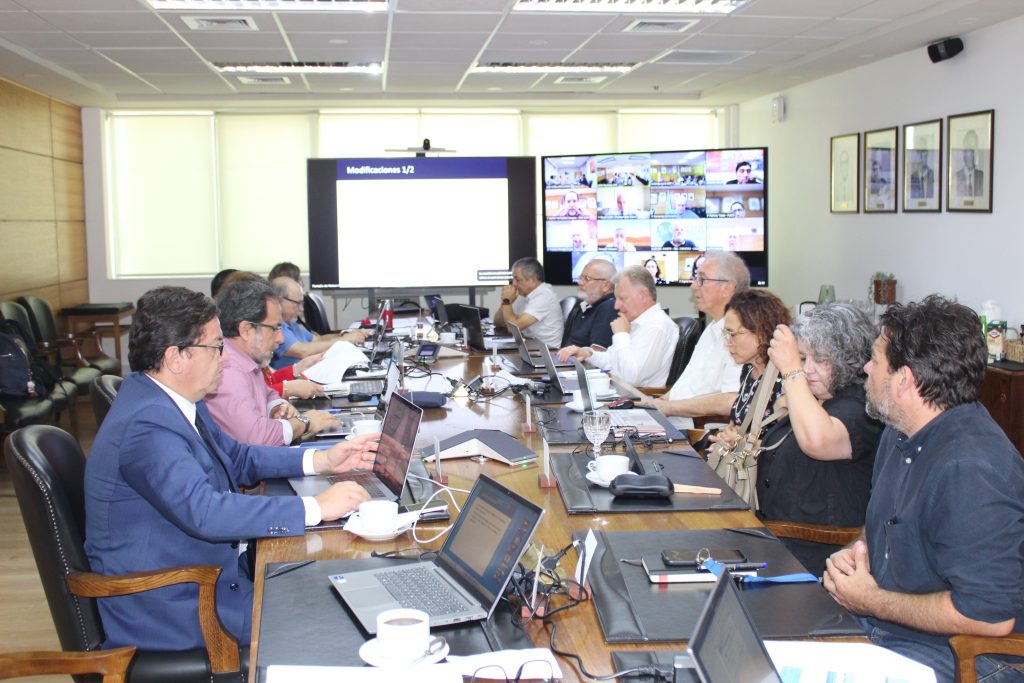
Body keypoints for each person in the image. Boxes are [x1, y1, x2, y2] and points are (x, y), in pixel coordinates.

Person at [84, 286, 375, 651]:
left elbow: (237, 458)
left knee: (340, 585)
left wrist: (322, 461)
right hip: (182, 603)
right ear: (176, 357)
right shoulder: (147, 425)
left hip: (211, 576)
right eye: (216, 347)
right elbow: (206, 512)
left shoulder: (173, 399)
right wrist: (315, 507)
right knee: (340, 621)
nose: (224, 358)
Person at [823, 296, 1024, 682]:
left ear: (905, 380)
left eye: (875, 361)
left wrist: (871, 601)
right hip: (889, 629)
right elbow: (888, 524)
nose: (866, 369)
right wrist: (855, 555)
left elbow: (990, 617)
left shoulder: (971, 468)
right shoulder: (901, 432)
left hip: (964, 655)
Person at [756, 303, 883, 574]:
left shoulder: (862, 408)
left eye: (822, 359)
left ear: (849, 357)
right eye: (802, 358)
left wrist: (792, 371)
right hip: (774, 536)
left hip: (814, 554)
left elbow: (817, 442)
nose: (808, 369)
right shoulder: (817, 399)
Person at [206, 280, 340, 445]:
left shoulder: (247, 359)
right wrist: (304, 422)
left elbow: (268, 393)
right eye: (275, 328)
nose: (281, 339)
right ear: (246, 330)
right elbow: (258, 438)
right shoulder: (227, 371)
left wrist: (277, 408)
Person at [653, 252, 748, 429]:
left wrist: (670, 408)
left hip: (696, 431)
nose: (693, 286)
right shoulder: (712, 327)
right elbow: (691, 382)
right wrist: (664, 400)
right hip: (673, 420)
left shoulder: (742, 334)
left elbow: (732, 400)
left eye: (702, 280)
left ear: (727, 288)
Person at [557, 265, 678, 387]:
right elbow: (612, 360)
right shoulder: (639, 322)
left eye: (622, 298)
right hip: (618, 391)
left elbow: (631, 377)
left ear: (643, 295)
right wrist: (588, 354)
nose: (616, 306)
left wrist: (621, 335)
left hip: (635, 396)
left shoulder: (657, 326)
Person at [710, 289, 791, 449]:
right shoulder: (749, 370)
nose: (727, 342)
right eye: (726, 334)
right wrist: (727, 436)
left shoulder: (786, 381)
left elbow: (790, 448)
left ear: (761, 332)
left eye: (733, 334)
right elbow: (736, 427)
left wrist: (743, 443)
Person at [270, 277, 368, 369]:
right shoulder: (276, 328)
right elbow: (303, 352)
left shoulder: (291, 323)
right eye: (297, 303)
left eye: (302, 303)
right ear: (279, 300)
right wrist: (345, 340)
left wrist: (345, 334)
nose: (301, 309)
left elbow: (318, 339)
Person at [493, 257, 564, 350]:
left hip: (546, 352)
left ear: (533, 280)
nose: (514, 284)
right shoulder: (523, 295)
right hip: (529, 346)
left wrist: (507, 302)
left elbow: (514, 329)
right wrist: (505, 302)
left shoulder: (544, 296)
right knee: (494, 352)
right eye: (513, 279)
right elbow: (498, 322)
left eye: (517, 279)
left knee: (495, 355)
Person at [565, 258, 617, 349]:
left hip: (579, 358)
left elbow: (598, 352)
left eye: (587, 278)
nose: (580, 282)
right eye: (580, 278)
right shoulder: (584, 305)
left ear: (606, 286)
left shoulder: (609, 308)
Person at [955, 129, 984, 197]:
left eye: (975, 149)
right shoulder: (956, 176)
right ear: (964, 152)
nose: (972, 154)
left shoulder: (981, 176)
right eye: (970, 149)